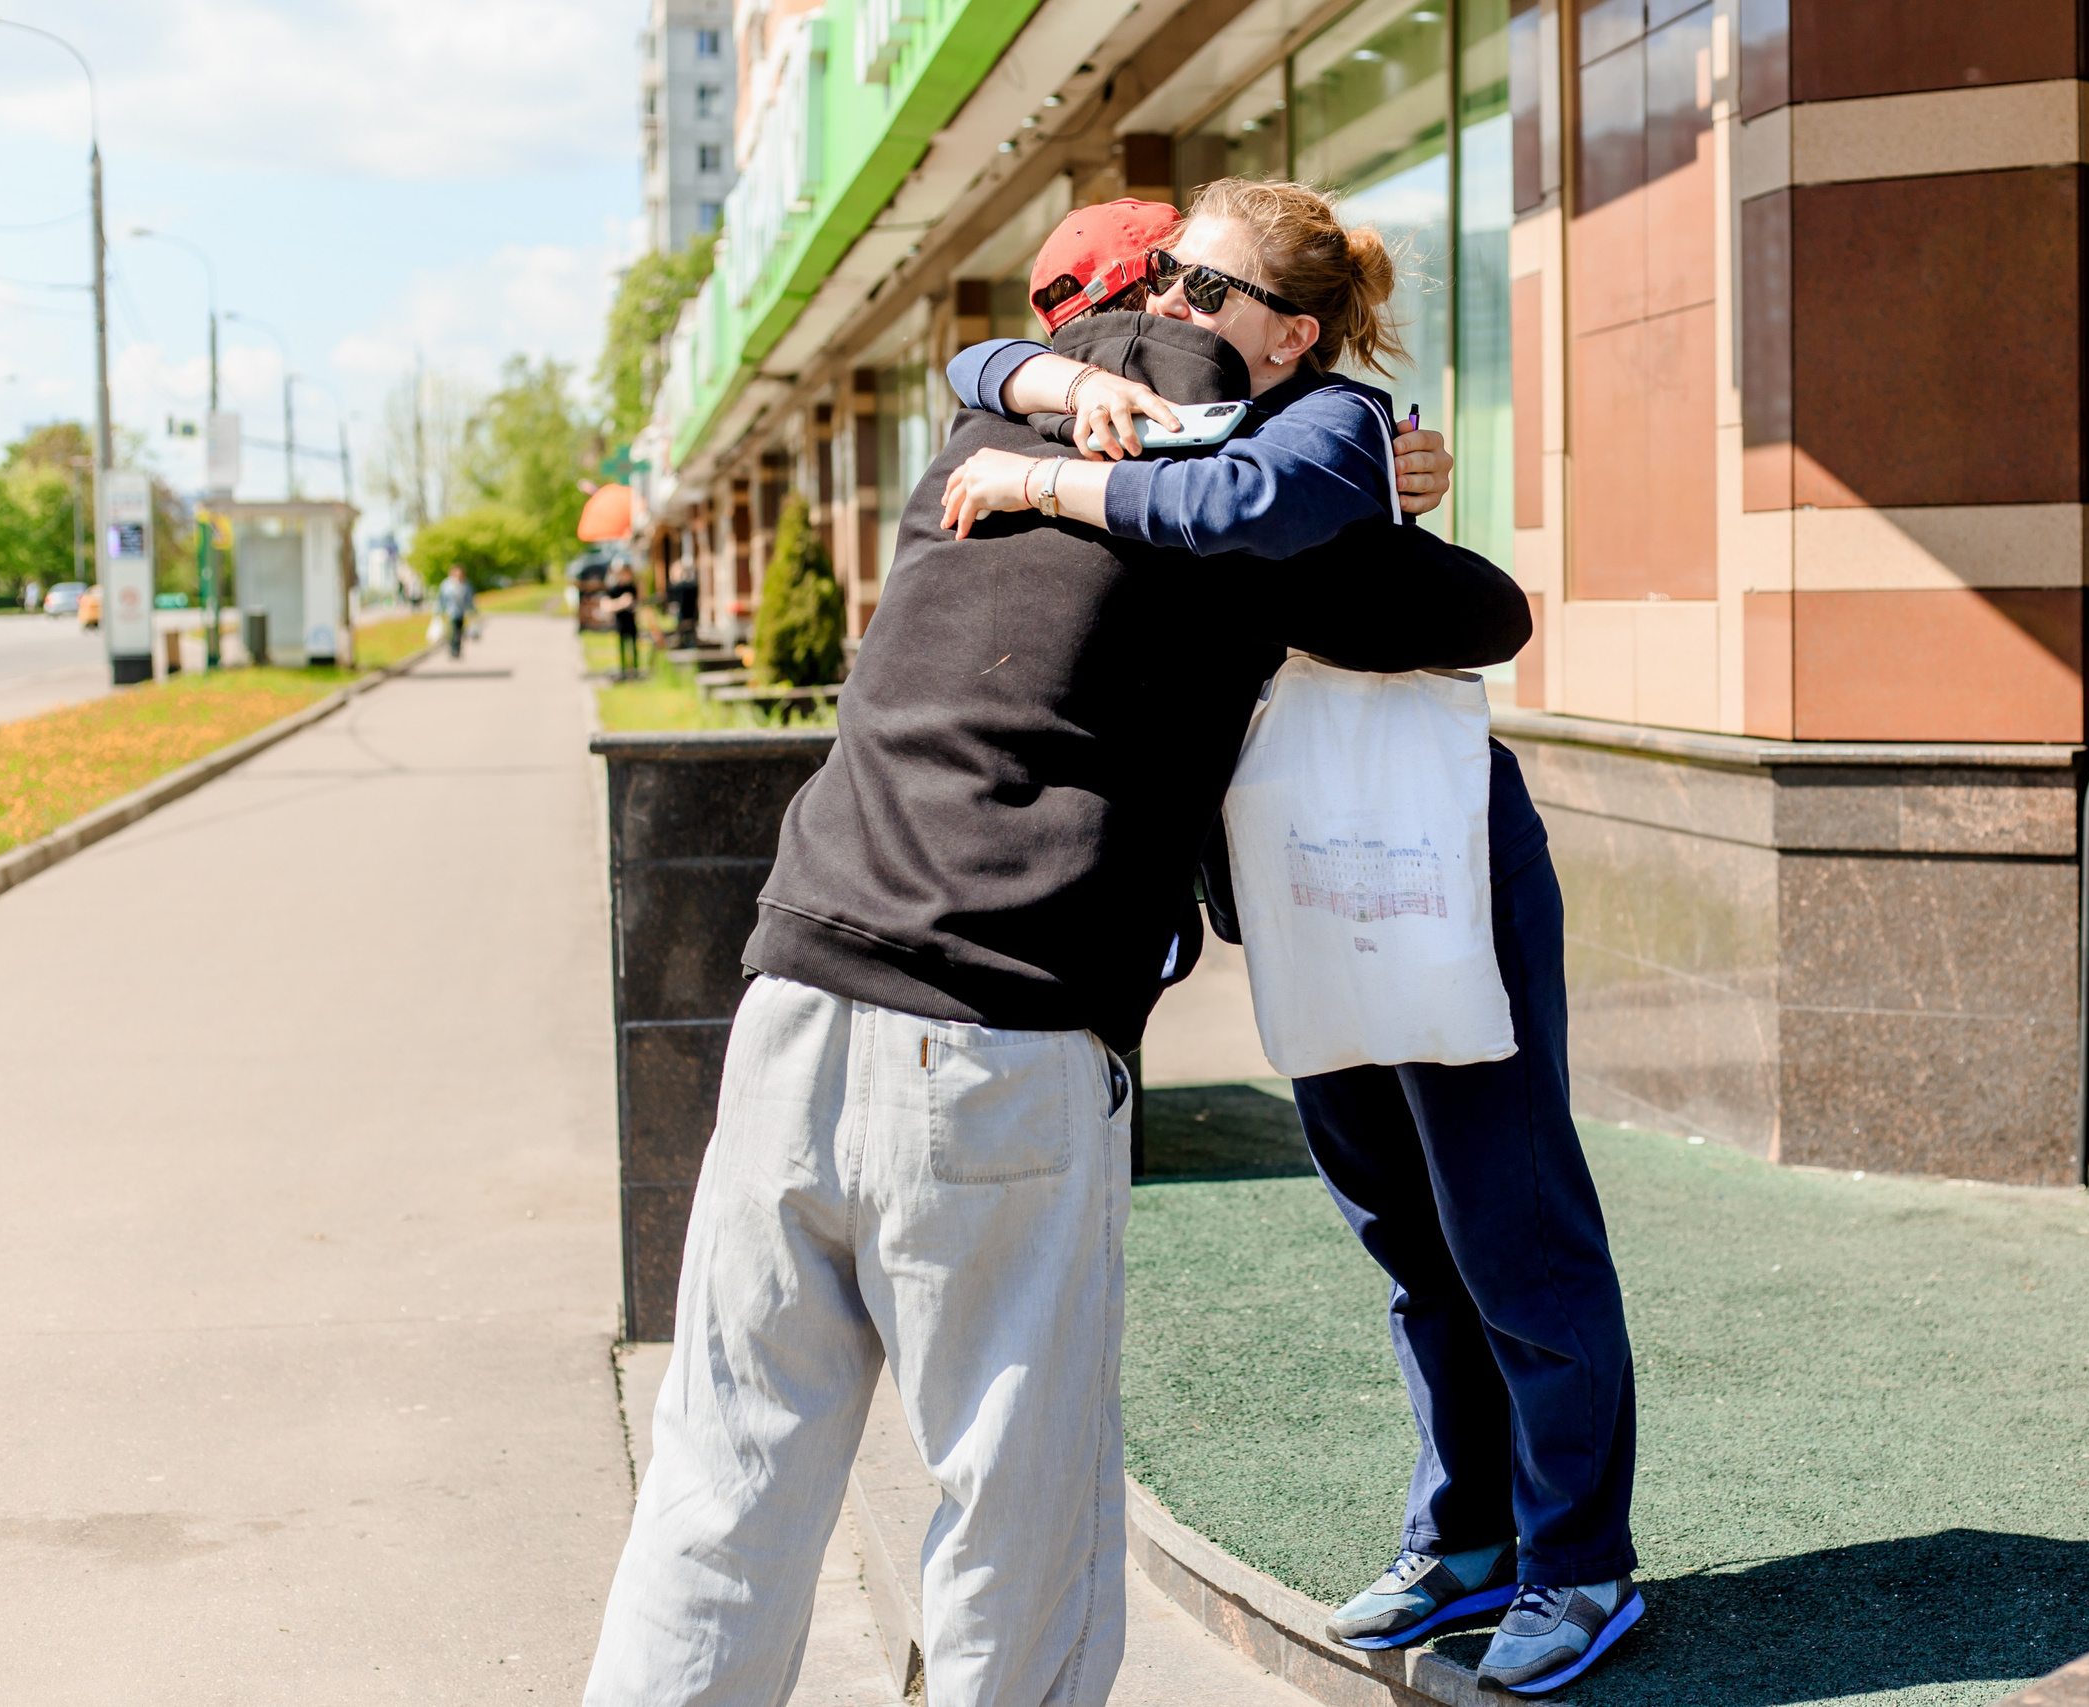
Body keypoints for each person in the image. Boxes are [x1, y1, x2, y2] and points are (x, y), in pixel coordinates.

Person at [581, 274, 1531, 1704]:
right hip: (997, 1040)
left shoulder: (964, 452)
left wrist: (1031, 388)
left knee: (725, 1473)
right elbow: (1481, 611)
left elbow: (990, 365)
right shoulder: (1235, 499)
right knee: (1011, 1515)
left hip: (792, 996)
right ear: (1261, 342)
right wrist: (1362, 484)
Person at [945, 180, 1642, 1697]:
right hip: (1305, 877)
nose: (1171, 311)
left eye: (1201, 288)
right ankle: (1465, 1536)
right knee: (1404, 1229)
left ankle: (1579, 1557)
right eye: (1159, 288)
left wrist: (1048, 481)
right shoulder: (1163, 415)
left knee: (1511, 1223)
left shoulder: (1328, 431)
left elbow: (1385, 568)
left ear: (1293, 328)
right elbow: (971, 367)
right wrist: (1033, 386)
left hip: (1441, 861)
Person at [605, 562, 642, 675]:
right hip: (620, 622)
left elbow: (639, 602)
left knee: (634, 646)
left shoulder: (632, 588)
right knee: (622, 647)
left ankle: (635, 669)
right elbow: (607, 605)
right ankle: (623, 669)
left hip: (631, 621)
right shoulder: (614, 589)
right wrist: (621, 602)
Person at [438, 565, 475, 660]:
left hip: (461, 612)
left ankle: (457, 650)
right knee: (452, 632)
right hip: (450, 612)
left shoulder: (465, 584)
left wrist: (471, 610)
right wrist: (440, 610)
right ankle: (453, 650)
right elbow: (441, 599)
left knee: (459, 632)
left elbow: (469, 598)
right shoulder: (446, 584)